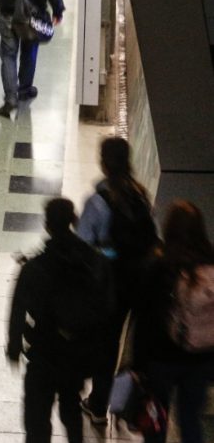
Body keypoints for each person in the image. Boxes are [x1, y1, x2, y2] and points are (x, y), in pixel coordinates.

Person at [7, 198, 110, 443]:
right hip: (77, 355)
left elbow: (18, 309)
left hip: (44, 355)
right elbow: (106, 307)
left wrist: (14, 347)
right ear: (74, 220)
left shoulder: (36, 266)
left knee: (38, 421)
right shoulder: (92, 260)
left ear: (47, 224)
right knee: (71, 409)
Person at [129, 200, 214, 443]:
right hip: (202, 358)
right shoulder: (211, 261)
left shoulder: (159, 263)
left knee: (158, 415)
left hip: (162, 360)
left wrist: (137, 365)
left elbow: (144, 319)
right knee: (191, 419)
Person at [76, 137, 158, 424]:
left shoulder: (98, 201)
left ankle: (98, 405)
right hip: (139, 283)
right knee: (131, 346)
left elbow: (84, 245)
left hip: (108, 285)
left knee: (106, 343)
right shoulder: (141, 195)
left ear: (103, 162)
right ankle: (123, 404)